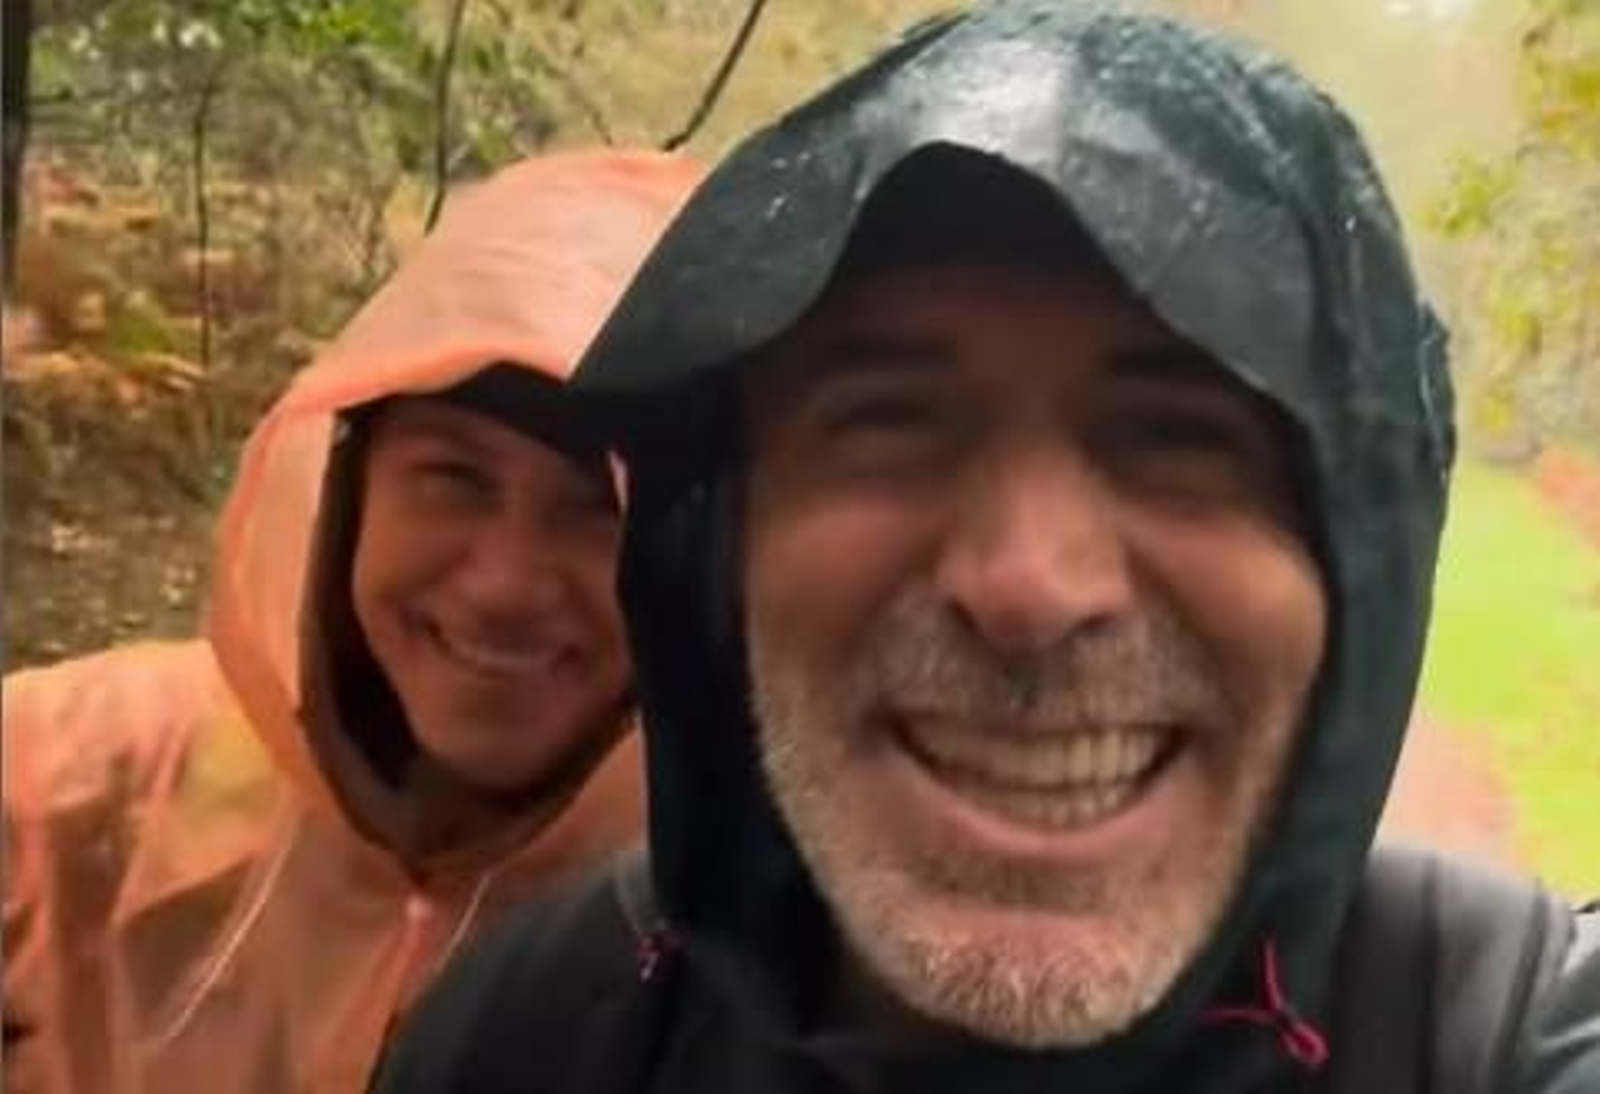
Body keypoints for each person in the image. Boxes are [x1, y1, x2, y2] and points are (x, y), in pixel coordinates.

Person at [374, 4, 1600, 1093]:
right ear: (726, 540)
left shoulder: (1507, 1030)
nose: (1029, 586)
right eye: (889, 426)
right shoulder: (535, 1024)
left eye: (1173, 438)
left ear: (1352, 560)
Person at [2, 148, 700, 1094]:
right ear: (348, 494)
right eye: (454, 479)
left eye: (596, 509)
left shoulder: (726, 949)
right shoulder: (74, 776)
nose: (502, 583)